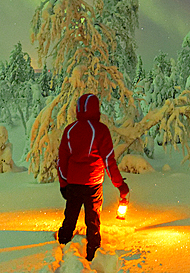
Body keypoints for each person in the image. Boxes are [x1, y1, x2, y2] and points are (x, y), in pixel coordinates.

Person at [56, 93, 130, 261]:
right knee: (93, 220)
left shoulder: (70, 130)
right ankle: (93, 252)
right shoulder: (101, 130)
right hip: (93, 184)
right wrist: (121, 186)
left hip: (73, 184)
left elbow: (62, 160)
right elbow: (109, 162)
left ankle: (62, 247)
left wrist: (63, 183)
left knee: (70, 217)